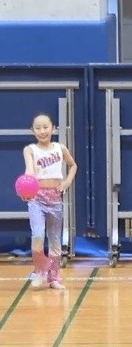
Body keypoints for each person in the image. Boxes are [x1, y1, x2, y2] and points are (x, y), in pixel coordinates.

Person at [22, 113, 77, 290]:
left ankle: (54, 277)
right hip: (36, 198)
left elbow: (73, 165)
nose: (42, 131)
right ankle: (40, 273)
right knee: (38, 234)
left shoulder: (60, 148)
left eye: (46, 127)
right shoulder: (30, 149)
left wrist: (67, 182)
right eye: (38, 128)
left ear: (53, 128)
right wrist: (26, 187)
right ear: (32, 131)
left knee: (54, 239)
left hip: (55, 198)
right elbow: (29, 170)